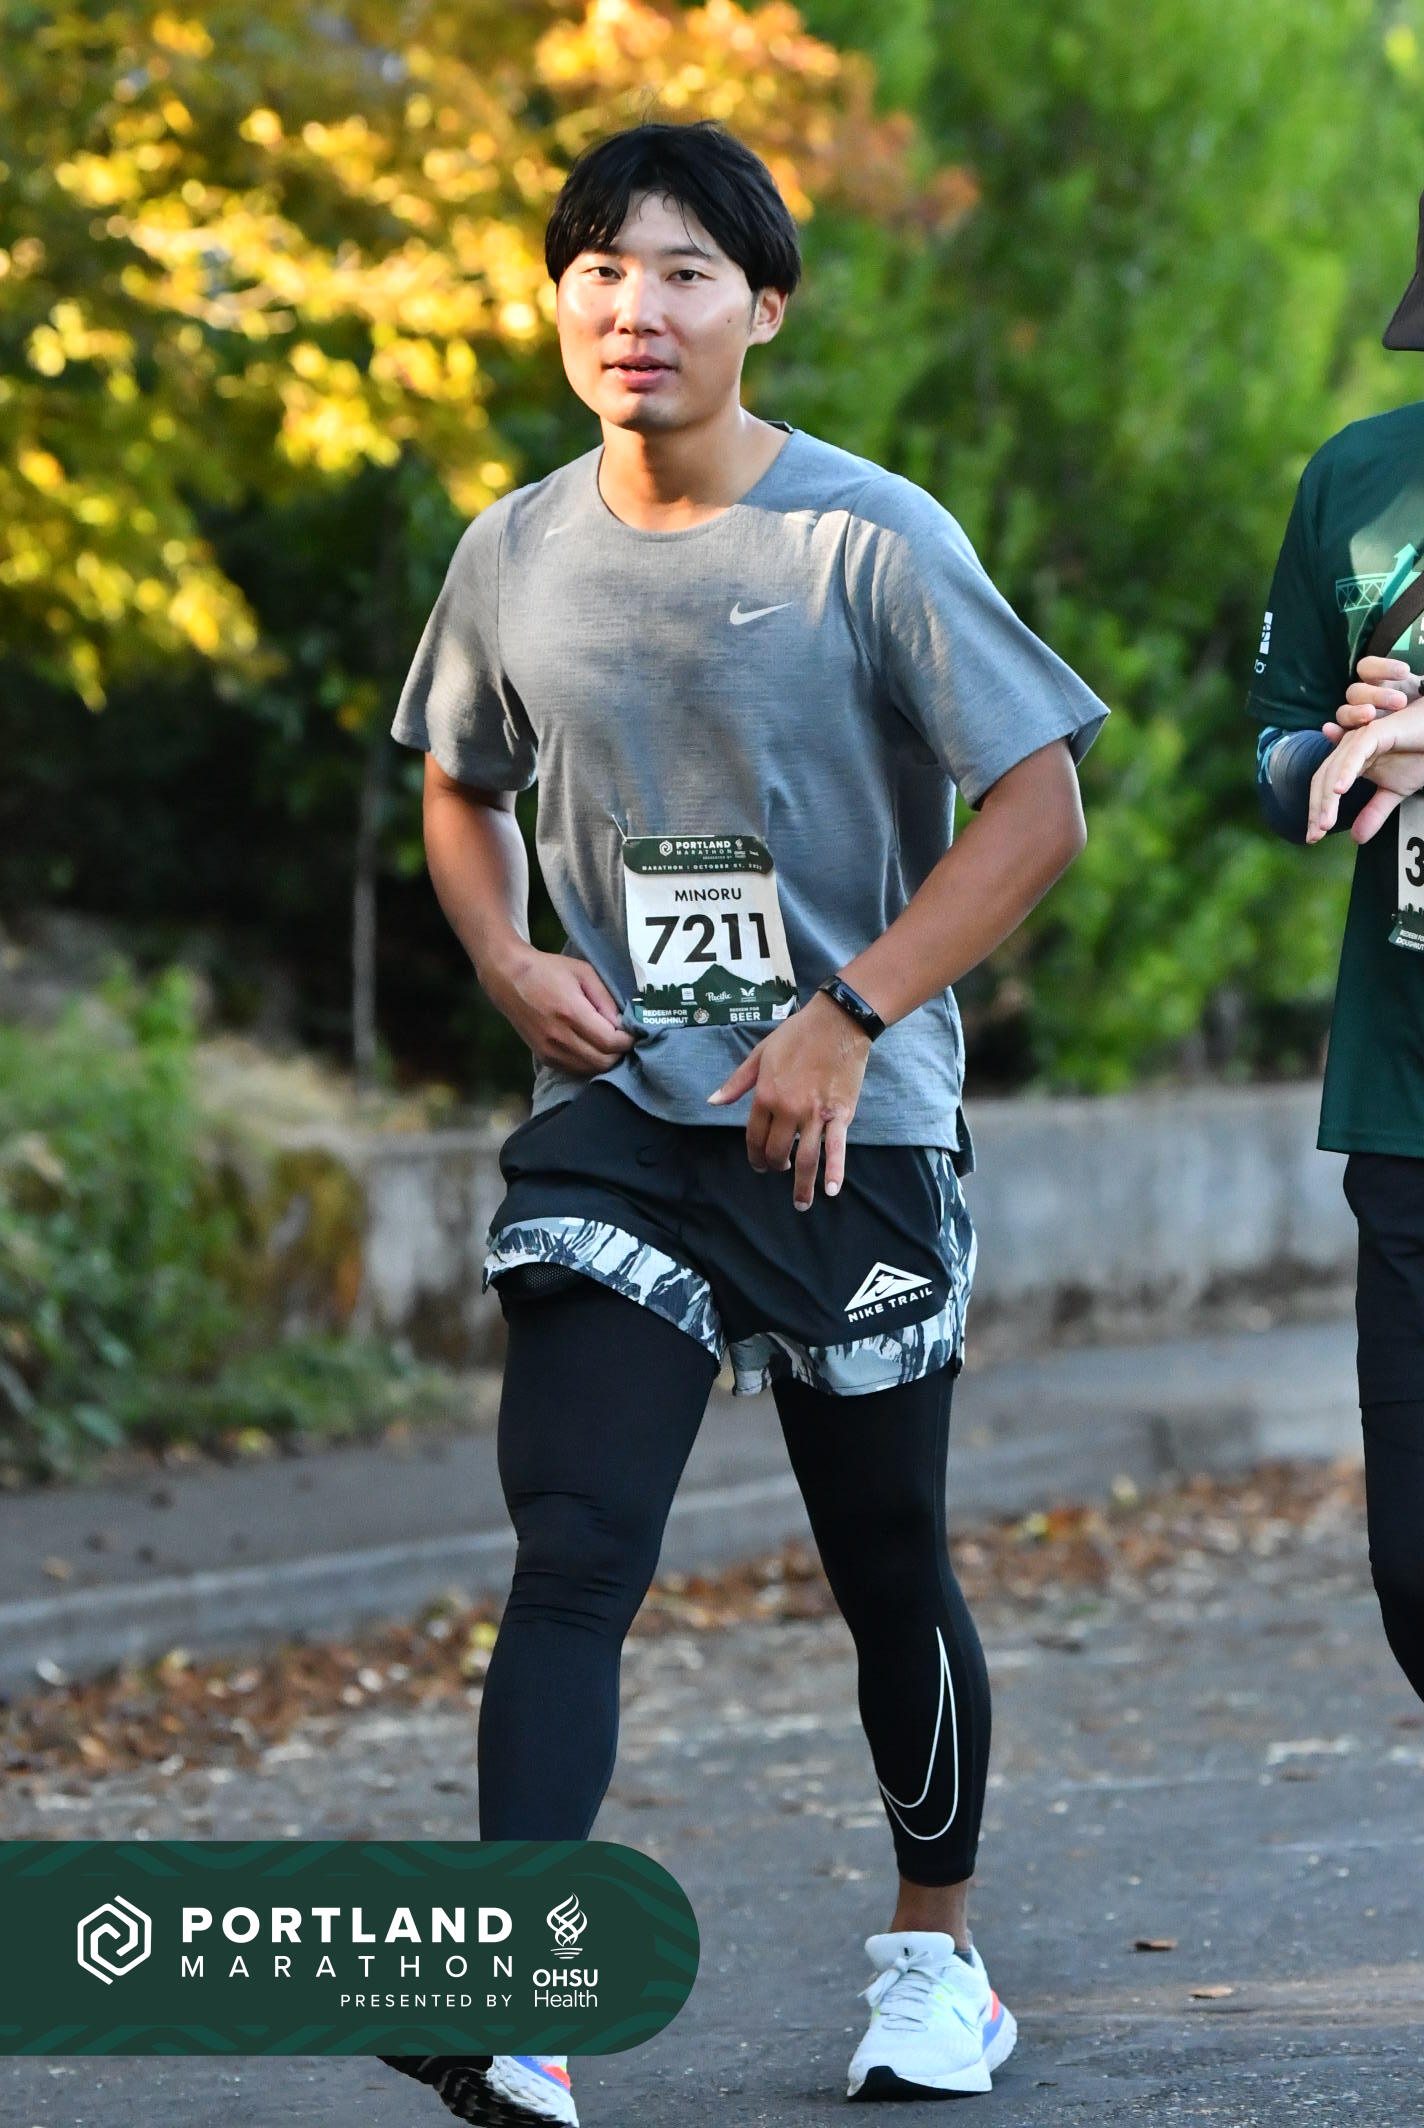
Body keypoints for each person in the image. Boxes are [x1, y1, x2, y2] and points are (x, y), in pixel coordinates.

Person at [380, 118, 1108, 2125]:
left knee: (886, 1558)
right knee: (574, 1542)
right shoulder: (513, 550)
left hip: (846, 1131)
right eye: (600, 269)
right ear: (559, 301)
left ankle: (938, 1956)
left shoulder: (866, 537)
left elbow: (1038, 803)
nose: (637, 309)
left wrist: (849, 1014)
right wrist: (505, 955)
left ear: (762, 309)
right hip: (619, 1118)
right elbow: (458, 781)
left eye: (686, 271)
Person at [1250, 187, 1424, 1710]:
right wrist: (1343, 748)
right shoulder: (1359, 481)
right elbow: (1272, 741)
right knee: (1415, 1573)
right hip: (1409, 1094)